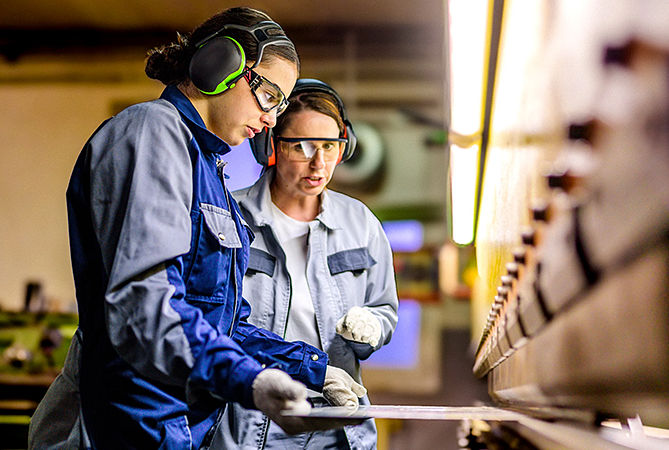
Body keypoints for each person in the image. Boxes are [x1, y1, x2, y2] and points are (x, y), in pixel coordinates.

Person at [28, 7, 366, 450]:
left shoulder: (209, 170)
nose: (270, 119)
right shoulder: (152, 133)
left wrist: (313, 368)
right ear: (220, 65)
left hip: (166, 428)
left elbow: (222, 324)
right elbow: (145, 307)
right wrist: (250, 380)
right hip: (119, 426)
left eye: (280, 106)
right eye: (268, 97)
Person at [209, 79, 399, 450]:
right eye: (302, 146)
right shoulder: (229, 217)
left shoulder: (361, 224)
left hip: (339, 423)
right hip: (253, 422)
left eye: (330, 146)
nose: (319, 162)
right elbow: (217, 324)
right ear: (270, 146)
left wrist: (373, 326)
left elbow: (385, 310)